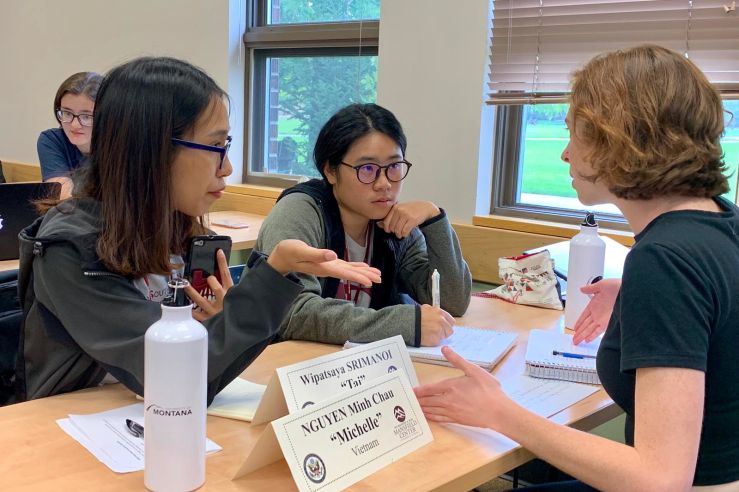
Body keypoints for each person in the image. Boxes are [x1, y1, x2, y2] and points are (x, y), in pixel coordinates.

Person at [414, 45, 739, 490]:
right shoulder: (719, 219)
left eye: (574, 134)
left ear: (617, 139)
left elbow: (658, 480)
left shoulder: (664, 261)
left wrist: (499, 411)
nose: (566, 154)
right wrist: (631, 292)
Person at [16, 57, 380, 403]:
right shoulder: (68, 249)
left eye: (227, 146)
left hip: (146, 415)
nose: (227, 167)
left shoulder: (173, 225)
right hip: (72, 430)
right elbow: (175, 376)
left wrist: (217, 323)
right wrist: (274, 273)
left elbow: (197, 362)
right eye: (215, 147)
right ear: (151, 150)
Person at [255, 103, 472, 347]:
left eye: (394, 167)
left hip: (361, 367)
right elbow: (293, 314)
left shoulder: (395, 225)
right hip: (289, 367)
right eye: (367, 169)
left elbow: (451, 302)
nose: (384, 184)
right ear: (331, 171)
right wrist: (404, 325)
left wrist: (435, 220)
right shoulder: (301, 211)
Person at [37, 72, 104, 199]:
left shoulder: (118, 144)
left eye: (86, 116)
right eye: (67, 113)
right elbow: (64, 198)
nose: (74, 125)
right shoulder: (52, 140)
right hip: (70, 216)